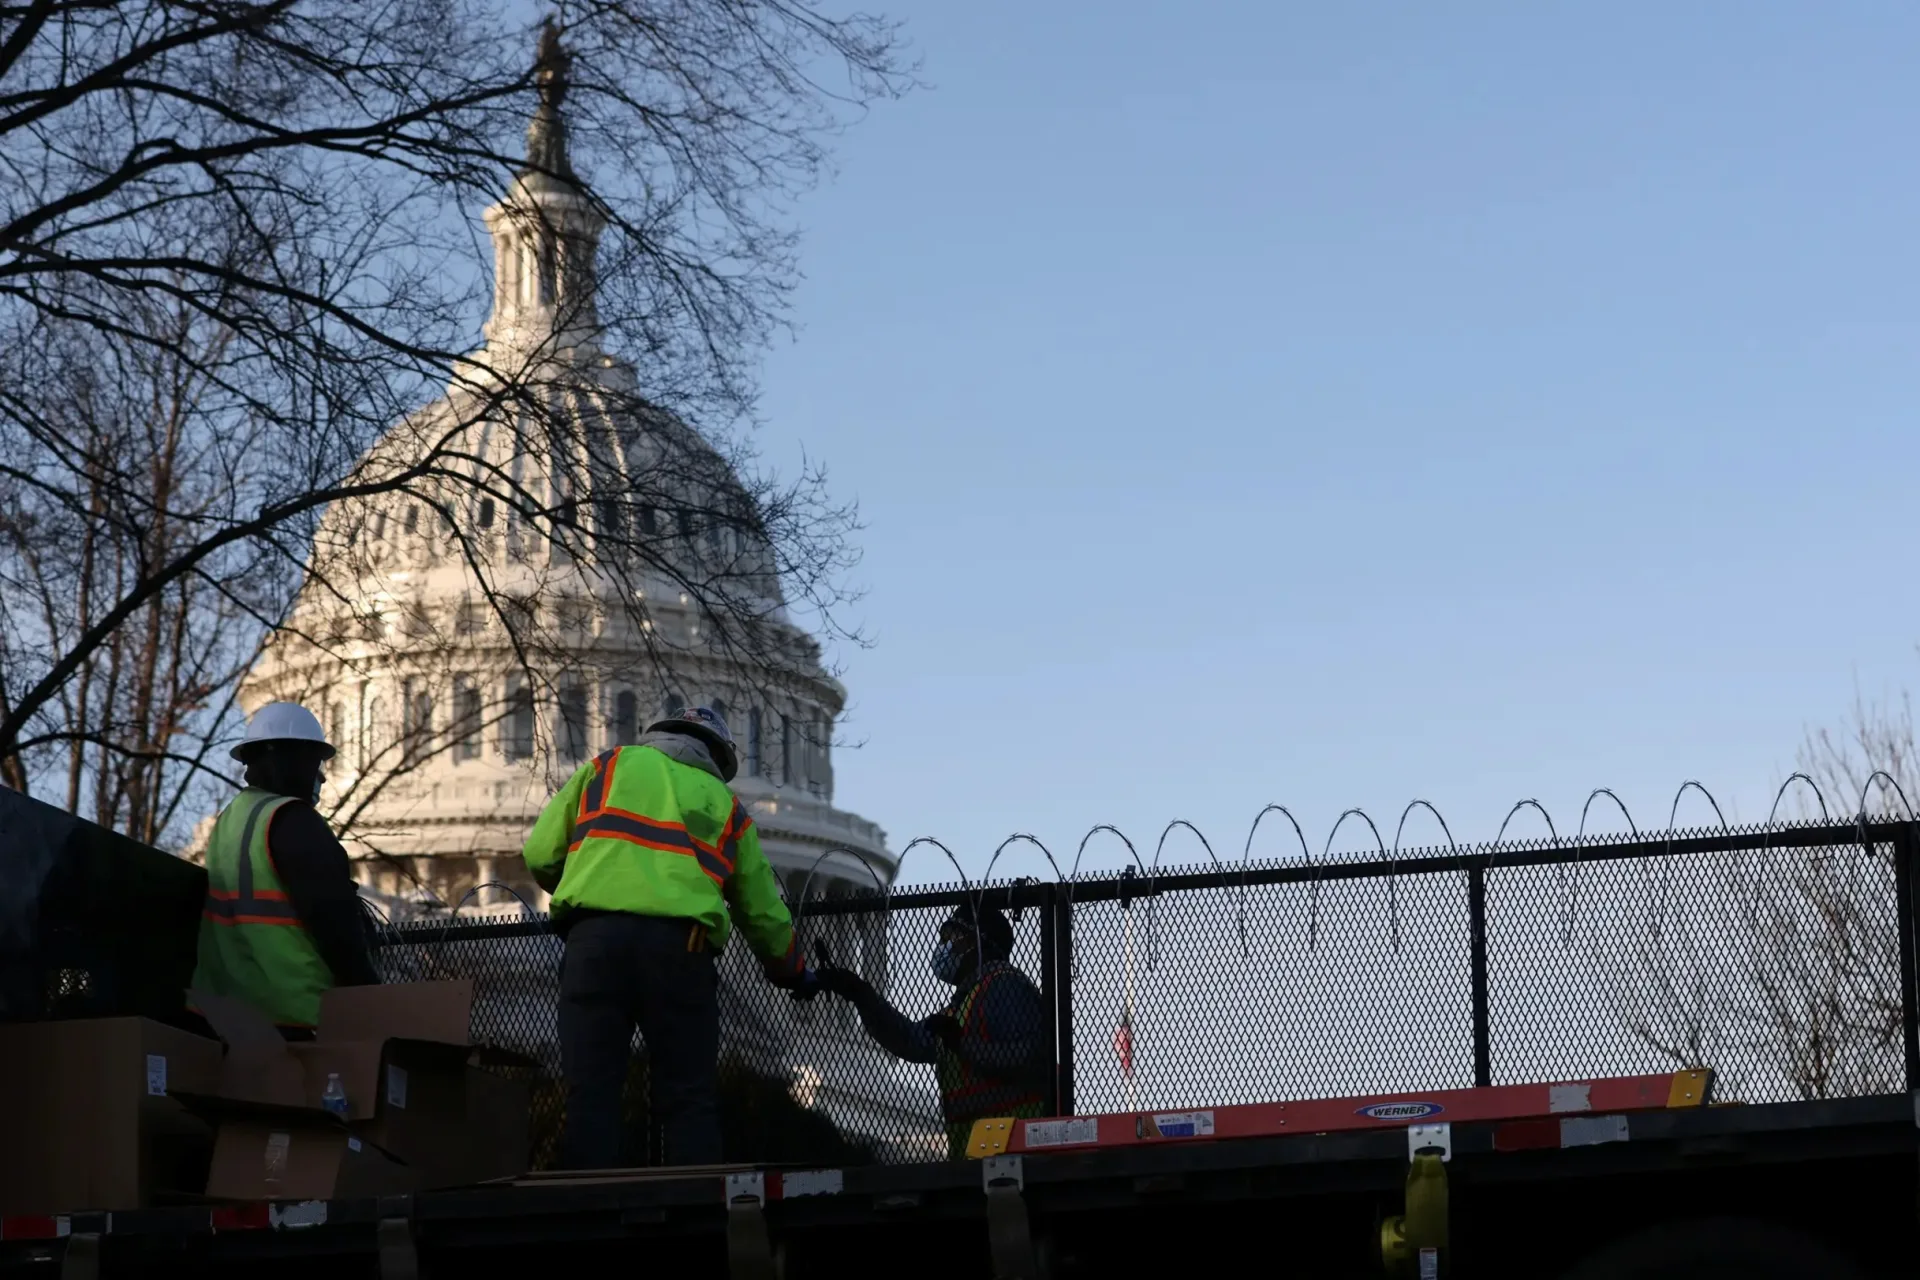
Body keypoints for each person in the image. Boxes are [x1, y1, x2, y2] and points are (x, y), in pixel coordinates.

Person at [522, 704, 819, 1169]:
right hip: (680, 951)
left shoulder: (607, 767)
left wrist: (589, 886)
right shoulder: (725, 806)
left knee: (590, 1090)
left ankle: (585, 1215)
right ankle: (692, 1213)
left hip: (594, 942)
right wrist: (792, 970)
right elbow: (762, 910)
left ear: (656, 735)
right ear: (716, 757)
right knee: (687, 1097)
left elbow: (540, 852)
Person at [192, 701, 379, 1038]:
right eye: (313, 762)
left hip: (226, 1016)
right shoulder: (293, 821)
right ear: (285, 758)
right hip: (294, 1016)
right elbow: (335, 924)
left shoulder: (229, 823)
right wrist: (370, 994)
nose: (320, 775)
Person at [820, 900, 1050, 1159]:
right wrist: (860, 994)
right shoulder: (962, 1005)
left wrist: (964, 1045)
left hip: (1017, 1153)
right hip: (976, 1156)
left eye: (952, 937)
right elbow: (910, 1040)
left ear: (976, 942)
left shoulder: (1005, 987)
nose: (944, 946)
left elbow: (1027, 1057)